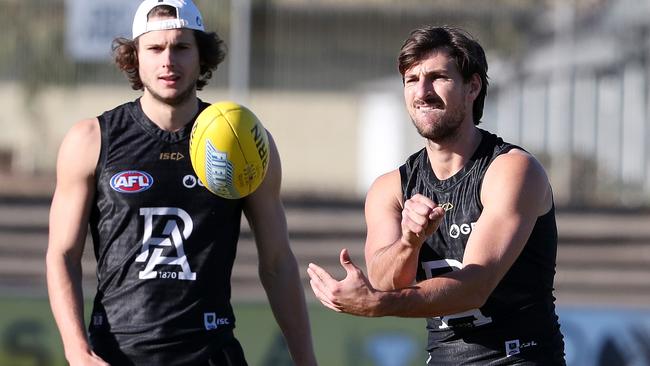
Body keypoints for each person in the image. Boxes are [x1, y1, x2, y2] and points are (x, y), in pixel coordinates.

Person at [46, 1, 317, 365]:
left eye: (181, 47)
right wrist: (77, 351)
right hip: (116, 354)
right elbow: (62, 254)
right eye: (155, 48)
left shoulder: (244, 140)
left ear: (201, 55)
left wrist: (305, 360)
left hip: (209, 351)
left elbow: (278, 262)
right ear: (134, 56)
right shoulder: (91, 139)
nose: (168, 60)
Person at [307, 25, 565, 365]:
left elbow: (476, 284)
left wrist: (377, 305)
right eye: (411, 80)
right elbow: (386, 281)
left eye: (438, 77)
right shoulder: (390, 188)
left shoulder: (512, 170)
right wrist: (409, 242)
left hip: (519, 358)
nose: (422, 91)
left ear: (472, 86)